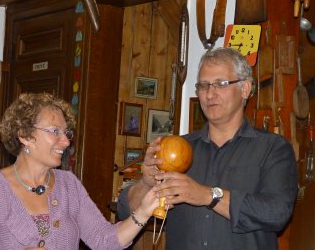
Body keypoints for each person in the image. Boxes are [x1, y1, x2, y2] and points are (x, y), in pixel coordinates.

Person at [117, 47, 298, 250]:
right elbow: (125, 210)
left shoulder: (273, 148)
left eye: (220, 84)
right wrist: (147, 183)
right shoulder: (177, 149)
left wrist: (208, 195)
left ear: (245, 89)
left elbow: (276, 213)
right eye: (203, 86)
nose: (210, 94)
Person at [0, 93, 159, 250]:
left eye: (66, 132)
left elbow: (104, 240)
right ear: (25, 135)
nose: (66, 141)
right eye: (55, 132)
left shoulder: (68, 185)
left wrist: (144, 211)